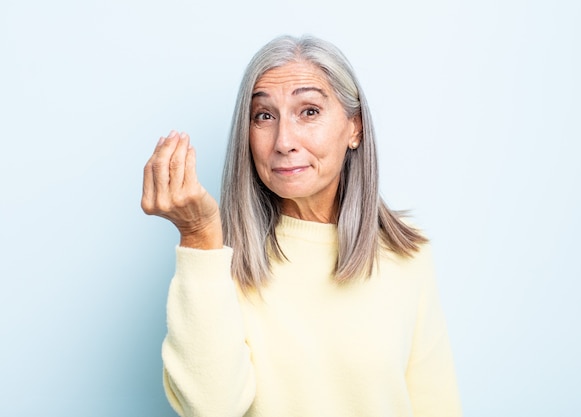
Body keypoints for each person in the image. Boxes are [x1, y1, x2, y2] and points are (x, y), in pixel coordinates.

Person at [141, 35, 462, 417]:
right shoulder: (215, 260)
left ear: (354, 128)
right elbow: (210, 409)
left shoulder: (408, 254)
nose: (284, 141)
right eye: (264, 116)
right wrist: (199, 238)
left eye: (308, 111)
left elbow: (436, 406)